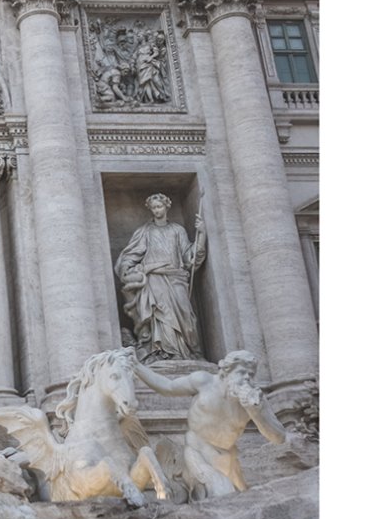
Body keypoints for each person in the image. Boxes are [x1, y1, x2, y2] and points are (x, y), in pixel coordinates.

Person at [132, 351, 288, 498]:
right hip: (197, 451)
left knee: (245, 498)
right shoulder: (204, 382)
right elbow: (168, 386)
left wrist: (255, 411)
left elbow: (279, 437)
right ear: (226, 371)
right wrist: (137, 366)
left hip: (228, 458)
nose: (247, 378)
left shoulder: (256, 399)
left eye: (251, 374)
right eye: (241, 372)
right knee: (222, 492)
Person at [115, 192, 205, 362]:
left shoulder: (178, 230)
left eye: (160, 206)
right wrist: (128, 268)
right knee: (160, 315)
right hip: (154, 279)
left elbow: (189, 257)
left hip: (176, 278)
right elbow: (130, 256)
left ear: (166, 206)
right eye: (154, 207)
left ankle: (188, 351)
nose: (157, 210)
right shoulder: (144, 232)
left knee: (186, 317)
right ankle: (165, 352)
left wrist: (201, 235)